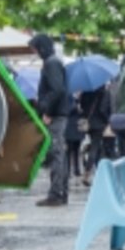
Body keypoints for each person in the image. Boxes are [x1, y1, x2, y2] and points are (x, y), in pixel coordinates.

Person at [32, 33, 71, 207]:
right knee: (59, 153)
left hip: (55, 115)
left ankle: (56, 193)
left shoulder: (51, 64)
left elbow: (57, 90)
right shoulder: (54, 62)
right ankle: (60, 192)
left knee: (56, 154)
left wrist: (47, 110)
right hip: (58, 113)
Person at [80, 79, 112, 187]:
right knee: (95, 147)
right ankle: (87, 172)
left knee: (96, 147)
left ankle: (98, 171)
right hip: (99, 124)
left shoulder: (86, 92)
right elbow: (104, 109)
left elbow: (82, 107)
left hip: (89, 124)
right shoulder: (104, 93)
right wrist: (107, 120)